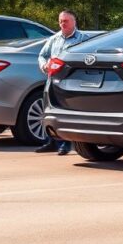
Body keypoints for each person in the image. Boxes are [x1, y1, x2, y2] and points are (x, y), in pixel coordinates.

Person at [35, 9, 91, 155]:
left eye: (66, 21)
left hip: (71, 81)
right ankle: (51, 141)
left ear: (74, 22)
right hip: (53, 80)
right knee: (49, 110)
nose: (62, 24)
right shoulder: (54, 39)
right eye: (60, 21)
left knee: (66, 111)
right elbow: (42, 55)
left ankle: (65, 144)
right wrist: (44, 65)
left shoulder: (82, 39)